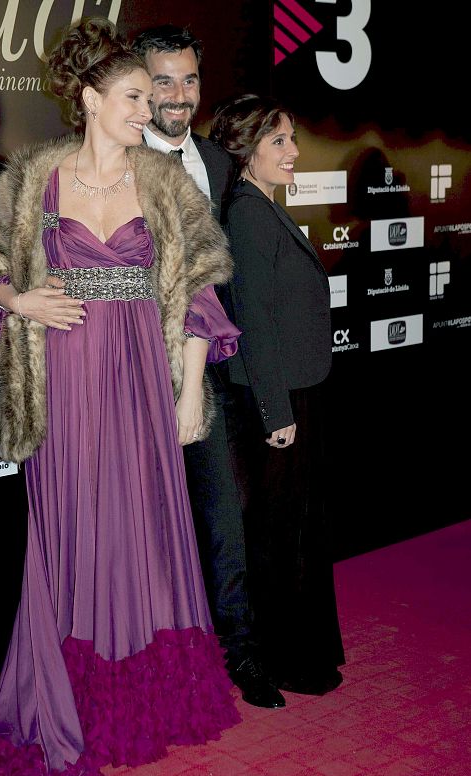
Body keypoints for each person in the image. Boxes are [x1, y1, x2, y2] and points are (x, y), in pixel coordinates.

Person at [0, 18, 242, 776]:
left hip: (144, 378)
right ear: (89, 98)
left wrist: (189, 392)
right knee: (69, 536)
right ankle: (62, 701)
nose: (150, 110)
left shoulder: (164, 183)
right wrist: (19, 297)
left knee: (142, 535)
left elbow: (202, 296)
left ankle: (133, 702)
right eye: (136, 95)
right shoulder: (32, 177)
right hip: (62, 386)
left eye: (153, 96)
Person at [131, 26, 285, 709]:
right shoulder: (111, 163)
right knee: (142, 532)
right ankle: (150, 666)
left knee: (227, 518)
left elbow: (239, 281)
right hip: (132, 376)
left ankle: (241, 655)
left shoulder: (222, 167)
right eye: (162, 80)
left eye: (189, 80)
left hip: (214, 374)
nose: (178, 95)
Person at [209, 94, 345, 696]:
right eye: (279, 142)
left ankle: (302, 649)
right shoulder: (246, 213)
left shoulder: (263, 206)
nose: (294, 152)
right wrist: (276, 411)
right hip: (279, 397)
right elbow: (254, 320)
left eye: (291, 139)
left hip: (297, 387)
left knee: (298, 527)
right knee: (278, 532)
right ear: (246, 152)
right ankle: (285, 657)